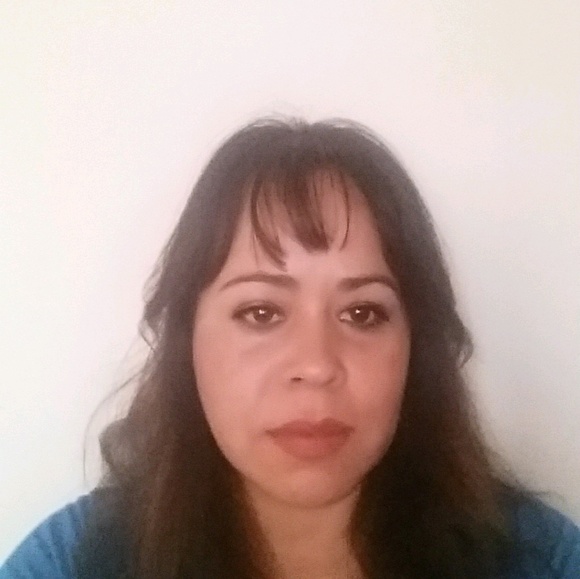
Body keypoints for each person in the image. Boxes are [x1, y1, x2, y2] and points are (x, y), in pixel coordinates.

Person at [2, 118, 579, 579]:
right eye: (261, 312)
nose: (317, 365)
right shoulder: (69, 564)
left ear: (415, 349)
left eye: (363, 313)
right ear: (186, 343)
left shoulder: (541, 562)